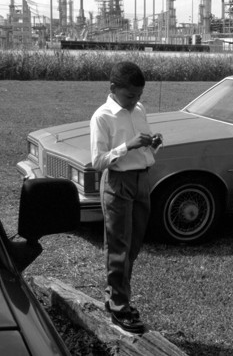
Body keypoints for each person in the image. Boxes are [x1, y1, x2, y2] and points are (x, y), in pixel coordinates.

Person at [90, 61, 162, 334]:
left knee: (133, 245)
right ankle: (121, 307)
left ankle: (113, 296)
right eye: (130, 96)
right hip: (118, 182)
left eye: (139, 96)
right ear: (113, 89)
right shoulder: (103, 116)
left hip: (142, 179)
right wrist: (127, 145)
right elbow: (98, 161)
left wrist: (154, 144)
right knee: (119, 247)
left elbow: (144, 147)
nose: (135, 102)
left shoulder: (139, 109)